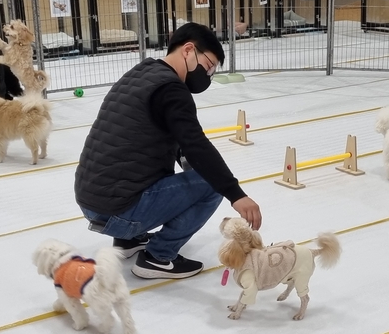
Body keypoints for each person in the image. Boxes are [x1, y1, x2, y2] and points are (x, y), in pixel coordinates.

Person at [75, 23, 263, 280]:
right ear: (188, 50)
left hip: (92, 200)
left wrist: (191, 168)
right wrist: (234, 193)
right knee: (211, 185)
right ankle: (158, 257)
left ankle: (130, 240)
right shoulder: (172, 89)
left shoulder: (142, 72)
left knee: (143, 164)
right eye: (208, 66)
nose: (208, 75)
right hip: (116, 209)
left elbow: (172, 141)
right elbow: (195, 143)